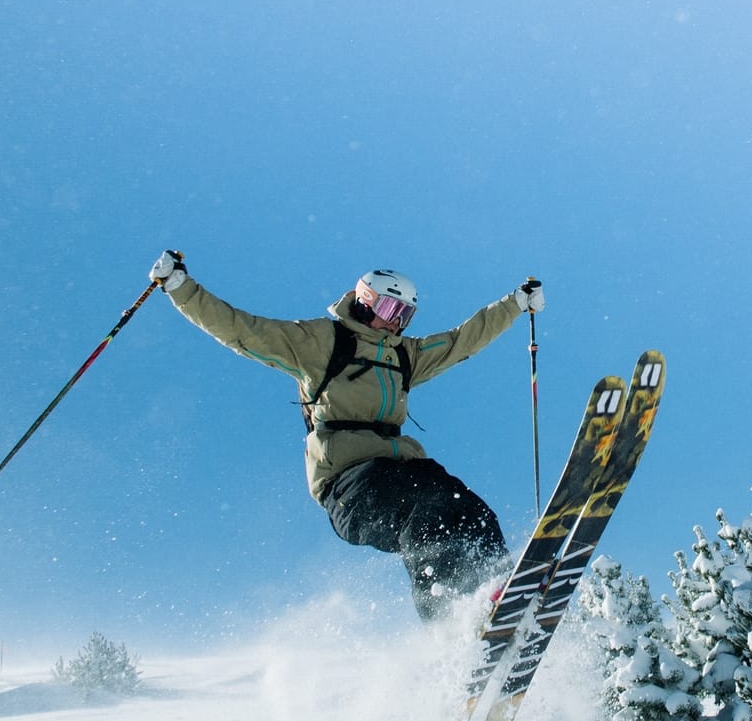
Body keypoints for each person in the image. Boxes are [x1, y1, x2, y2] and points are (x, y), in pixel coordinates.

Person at [149, 251, 545, 619]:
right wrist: (181, 289)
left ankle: (500, 595)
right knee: (429, 507)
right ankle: (446, 624)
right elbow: (243, 331)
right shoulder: (322, 342)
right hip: (350, 487)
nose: (396, 322)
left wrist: (513, 304)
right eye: (390, 308)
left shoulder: (403, 355)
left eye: (405, 314)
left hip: (401, 470)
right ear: (364, 300)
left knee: (470, 510)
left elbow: (462, 340)